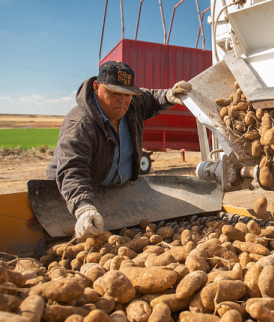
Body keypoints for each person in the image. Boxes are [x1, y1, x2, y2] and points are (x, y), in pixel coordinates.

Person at [46, 60, 192, 241]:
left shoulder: (132, 105)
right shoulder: (80, 125)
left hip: (112, 193)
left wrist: (169, 96)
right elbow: (72, 171)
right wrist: (83, 208)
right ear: (97, 87)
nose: (122, 100)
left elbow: (151, 98)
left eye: (127, 94)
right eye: (114, 93)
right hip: (71, 197)